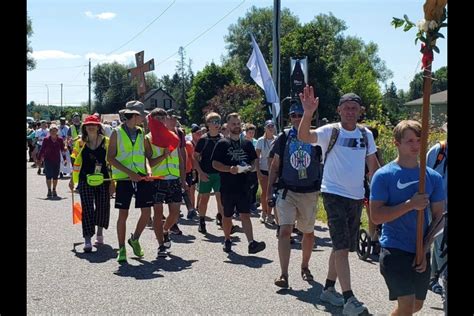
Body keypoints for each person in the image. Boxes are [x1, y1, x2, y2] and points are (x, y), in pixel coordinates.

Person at [298, 86, 380, 314]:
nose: (350, 112)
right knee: (342, 247)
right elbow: (304, 137)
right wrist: (308, 113)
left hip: (356, 196)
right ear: (339, 110)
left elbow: (373, 165)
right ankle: (349, 299)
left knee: (341, 245)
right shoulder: (330, 131)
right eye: (346, 108)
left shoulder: (366, 135)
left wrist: (381, 189)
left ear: (360, 111)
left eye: (354, 108)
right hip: (333, 194)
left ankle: (328, 289)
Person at [370, 120, 445, 316]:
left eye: (419, 140)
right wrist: (410, 205)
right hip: (394, 248)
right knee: (407, 305)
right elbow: (376, 216)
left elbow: (440, 216)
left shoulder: (432, 177)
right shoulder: (383, 175)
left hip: (421, 249)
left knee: (416, 306)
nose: (415, 145)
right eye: (409, 141)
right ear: (397, 143)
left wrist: (426, 245)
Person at [267, 102, 322, 289]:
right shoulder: (284, 137)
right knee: (284, 231)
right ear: (290, 118)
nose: (297, 118)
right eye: (294, 115)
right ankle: (284, 274)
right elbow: (275, 166)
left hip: (309, 192)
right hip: (287, 191)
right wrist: (268, 192)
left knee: (308, 232)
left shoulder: (317, 137)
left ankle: (305, 266)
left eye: (300, 114)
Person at [107, 100, 155, 263]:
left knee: (147, 213)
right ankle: (121, 248)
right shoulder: (116, 133)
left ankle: (134, 239)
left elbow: (145, 156)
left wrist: (148, 169)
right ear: (135, 116)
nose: (145, 118)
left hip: (142, 176)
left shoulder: (142, 132)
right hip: (124, 178)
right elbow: (110, 158)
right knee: (123, 214)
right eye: (143, 115)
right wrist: (129, 173)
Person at [212, 112, 266, 254]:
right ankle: (227, 239)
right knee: (227, 216)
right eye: (233, 124)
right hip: (227, 186)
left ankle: (251, 243)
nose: (236, 126)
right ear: (228, 125)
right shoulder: (222, 143)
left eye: (238, 124)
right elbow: (215, 164)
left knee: (245, 214)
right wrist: (229, 169)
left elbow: (254, 159)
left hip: (244, 186)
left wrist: (252, 166)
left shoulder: (247, 143)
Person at [144, 108, 184, 257]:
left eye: (163, 117)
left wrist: (183, 179)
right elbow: (148, 161)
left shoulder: (173, 136)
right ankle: (161, 245)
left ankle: (165, 230)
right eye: (157, 118)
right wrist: (163, 156)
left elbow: (179, 159)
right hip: (157, 180)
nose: (160, 120)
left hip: (173, 179)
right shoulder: (148, 138)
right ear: (152, 120)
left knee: (175, 213)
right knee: (158, 214)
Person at [69, 115, 112, 252]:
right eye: (88, 125)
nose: (91, 127)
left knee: (102, 207)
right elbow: (75, 163)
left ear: (99, 126)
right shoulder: (79, 143)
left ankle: (99, 233)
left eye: (94, 124)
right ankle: (87, 239)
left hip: (104, 180)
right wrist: (72, 180)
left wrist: (113, 182)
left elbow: (112, 164)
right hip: (85, 180)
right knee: (87, 209)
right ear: (84, 127)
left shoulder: (107, 142)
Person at [426, 122, 448, 305]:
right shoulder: (437, 152)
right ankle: (443, 283)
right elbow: (422, 176)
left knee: (439, 245)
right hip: (437, 208)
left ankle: (433, 279)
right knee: (441, 243)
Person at [193, 112, 224, 234]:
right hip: (206, 173)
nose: (217, 124)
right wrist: (200, 172)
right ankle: (201, 221)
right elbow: (195, 157)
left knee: (220, 198)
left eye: (218, 121)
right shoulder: (203, 140)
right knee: (204, 199)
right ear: (208, 124)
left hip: (219, 174)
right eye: (214, 122)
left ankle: (222, 219)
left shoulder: (222, 139)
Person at [37, 124, 67, 198]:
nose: (53, 132)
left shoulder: (60, 140)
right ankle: (49, 190)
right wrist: (39, 159)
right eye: (52, 131)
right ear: (49, 132)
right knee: (48, 176)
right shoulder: (46, 139)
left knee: (55, 176)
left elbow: (62, 150)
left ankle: (54, 189)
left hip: (57, 160)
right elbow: (42, 150)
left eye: (55, 131)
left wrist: (65, 159)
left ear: (57, 131)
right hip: (48, 160)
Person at [256, 120, 277, 224]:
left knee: (272, 193)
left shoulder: (277, 139)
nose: (270, 128)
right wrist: (258, 171)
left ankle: (270, 214)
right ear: (265, 128)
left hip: (273, 171)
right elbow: (256, 157)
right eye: (268, 126)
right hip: (263, 169)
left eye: (272, 126)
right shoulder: (260, 140)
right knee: (264, 192)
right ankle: (263, 212)